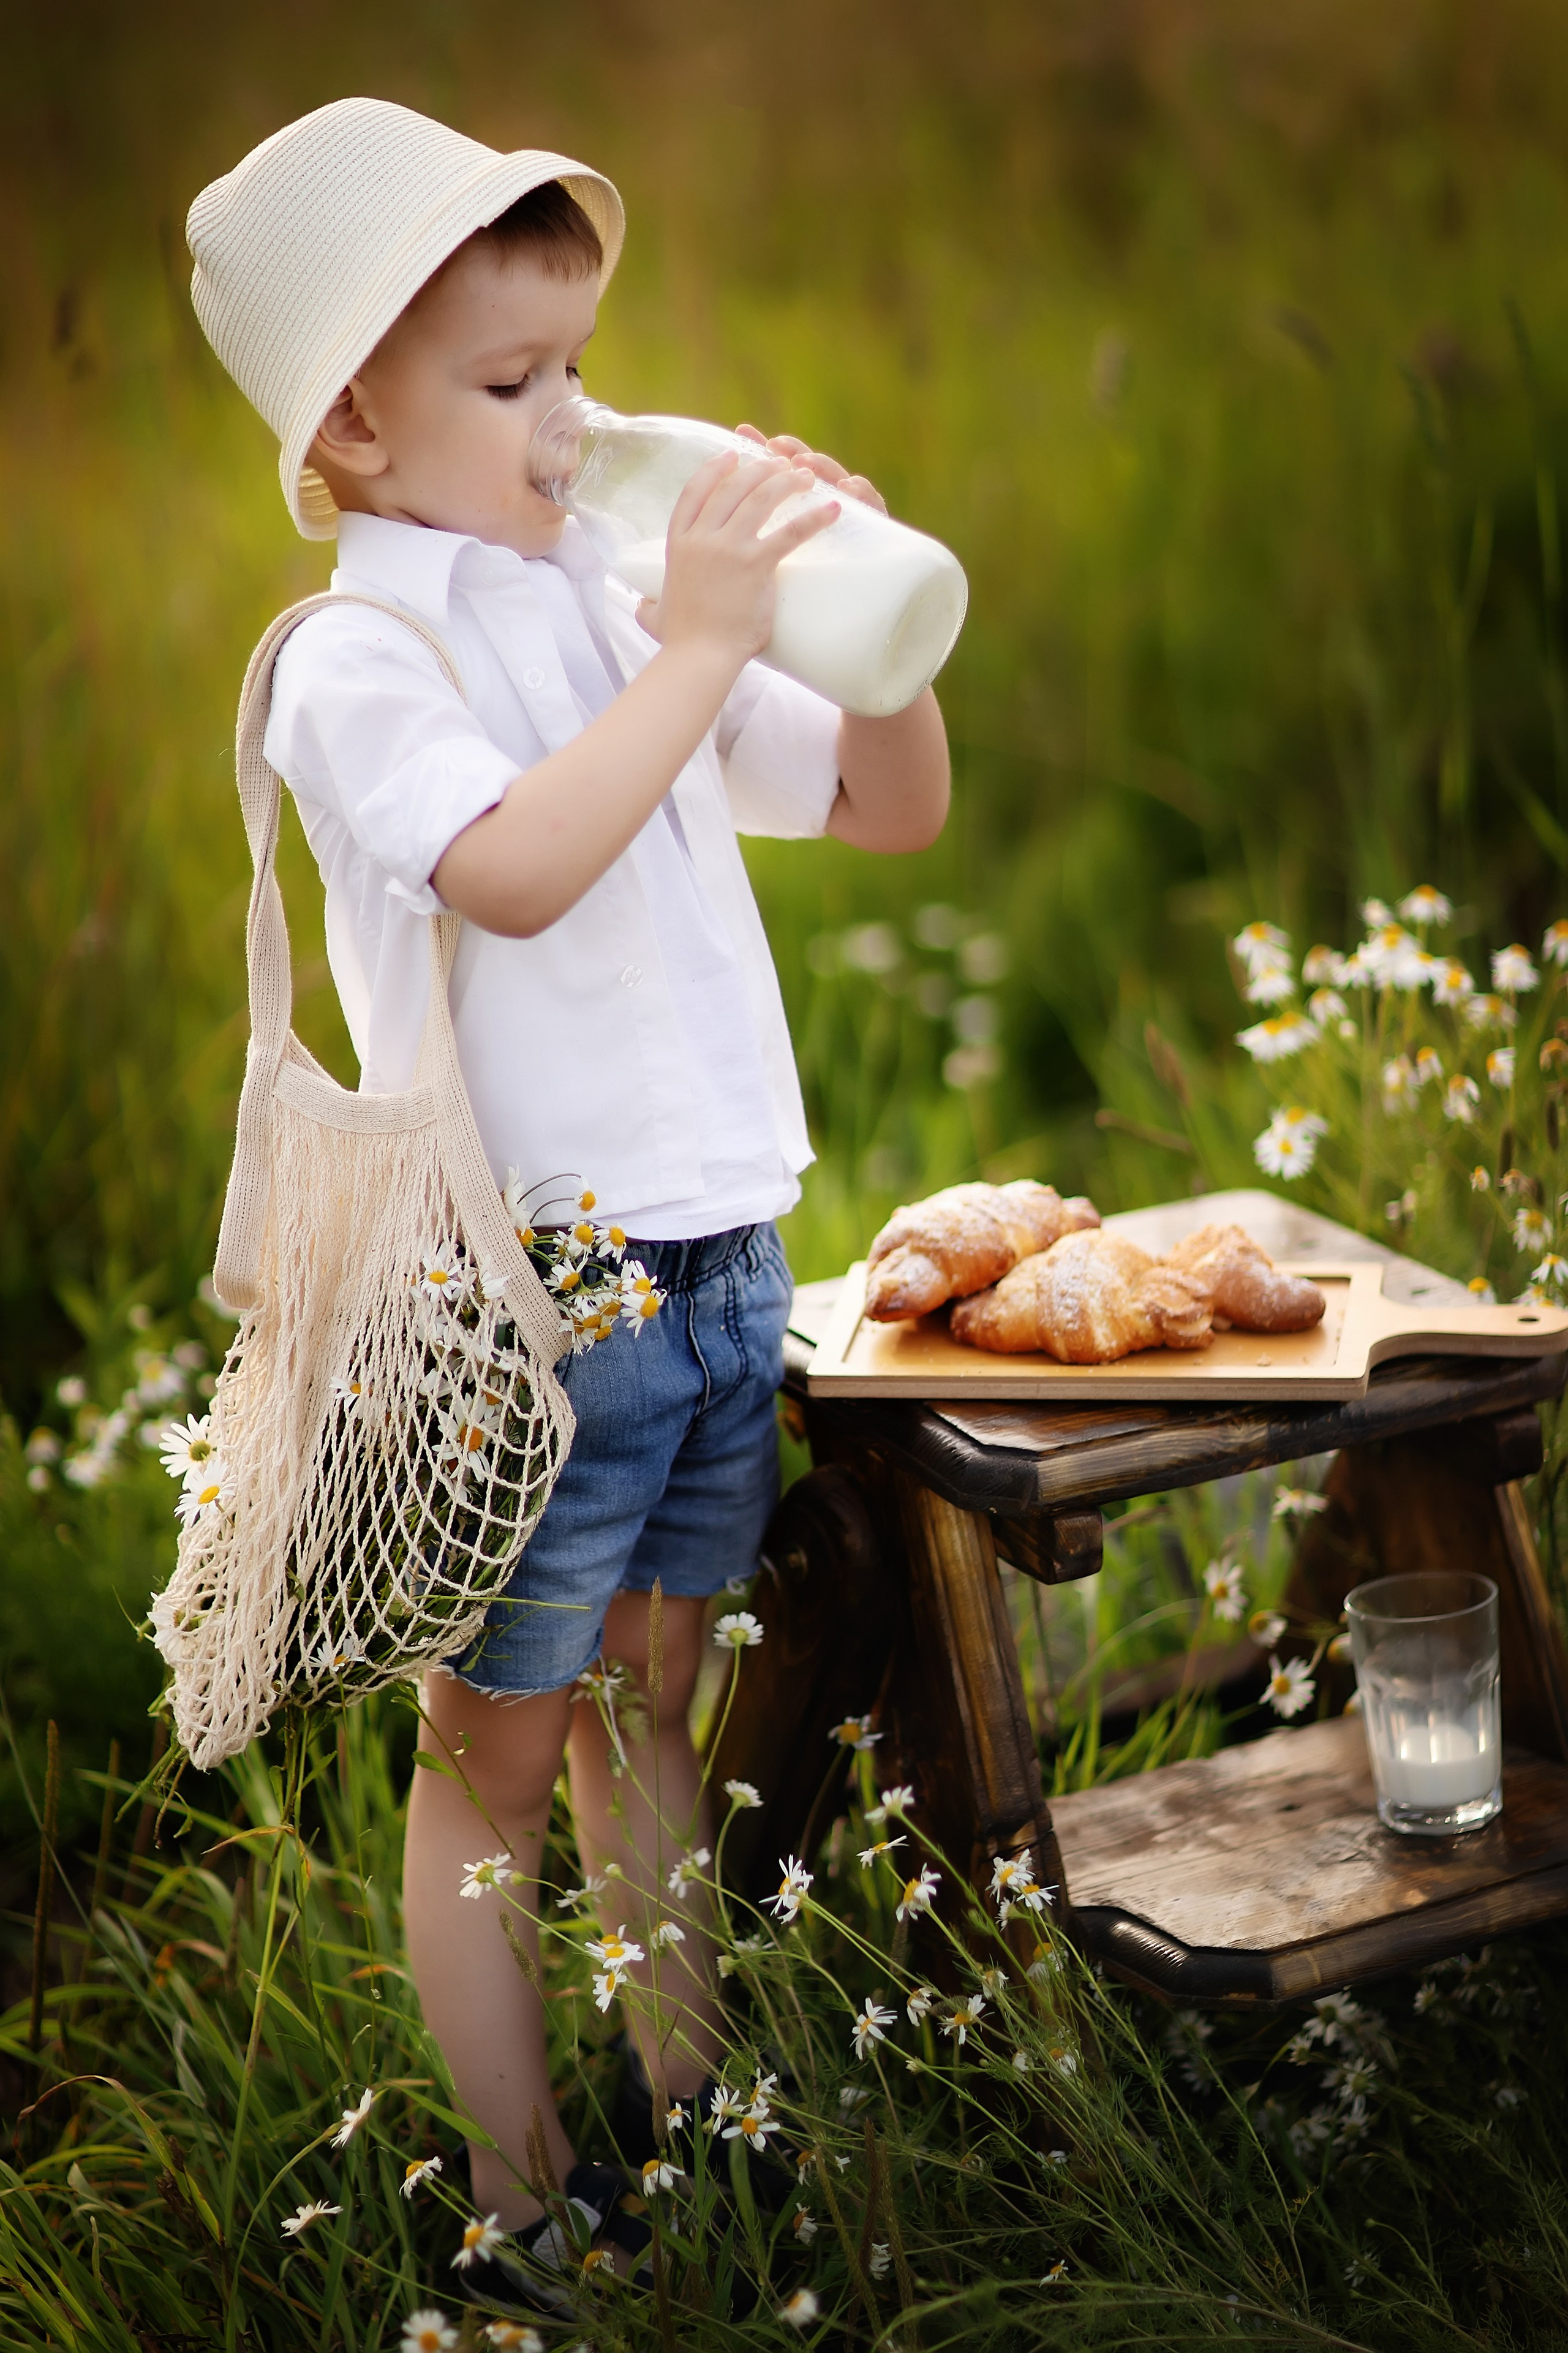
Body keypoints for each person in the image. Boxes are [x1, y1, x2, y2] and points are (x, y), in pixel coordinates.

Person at [187, 96, 949, 2293]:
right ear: (351, 415)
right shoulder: (360, 660)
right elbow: (515, 866)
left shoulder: (618, 601)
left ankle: (696, 2120)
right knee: (495, 1771)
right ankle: (532, 2209)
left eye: (578, 370)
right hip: (541, 1304)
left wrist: (853, 620)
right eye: (512, 384)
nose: (568, 422)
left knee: (652, 1731)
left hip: (716, 1271)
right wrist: (703, 647)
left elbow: (886, 809)